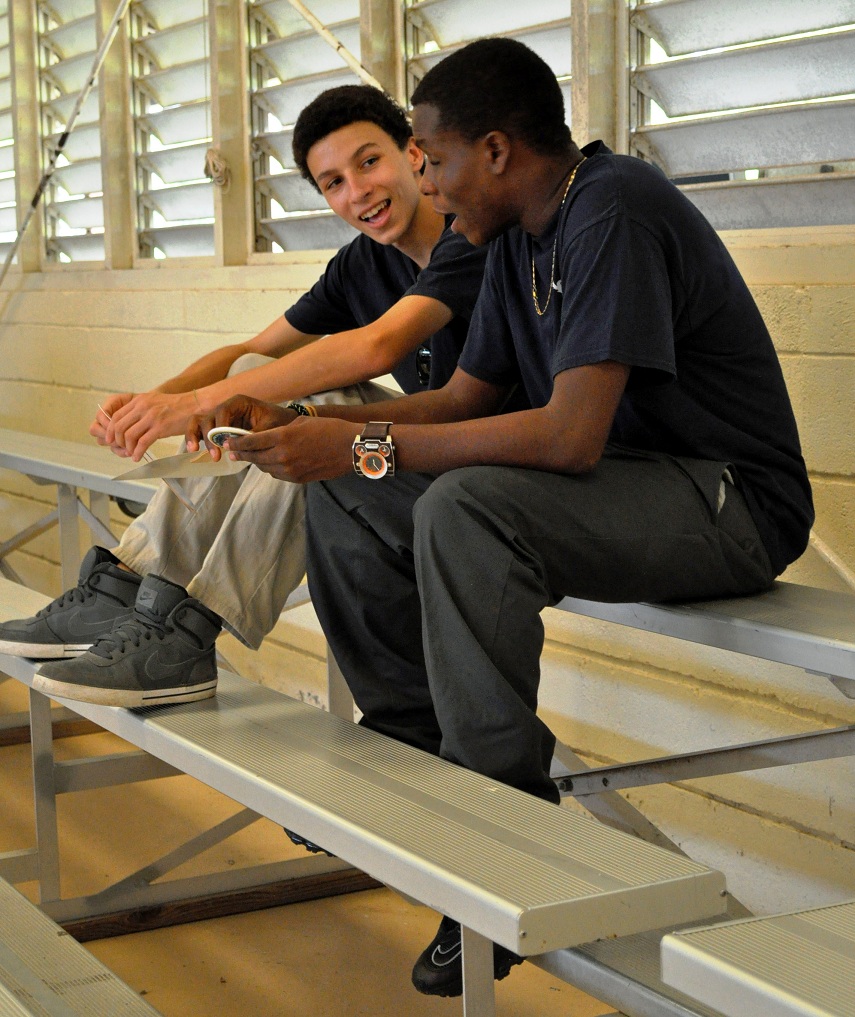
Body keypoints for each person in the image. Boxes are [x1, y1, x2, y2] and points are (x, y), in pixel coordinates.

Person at [42, 37, 816, 995]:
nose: (425, 181)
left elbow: (569, 437)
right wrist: (324, 435)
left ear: (494, 150)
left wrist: (355, 438)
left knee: (463, 505)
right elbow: (457, 406)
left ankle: (505, 832)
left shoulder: (611, 208)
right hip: (617, 487)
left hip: (727, 499)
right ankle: (409, 746)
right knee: (348, 483)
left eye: (431, 159)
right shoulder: (507, 239)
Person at [0, 84, 488, 706]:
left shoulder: (472, 235)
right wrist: (158, 397)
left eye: (369, 162)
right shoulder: (362, 263)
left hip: (487, 456)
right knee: (261, 382)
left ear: (414, 155)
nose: (357, 191)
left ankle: (197, 624)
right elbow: (251, 351)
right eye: (333, 182)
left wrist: (195, 405)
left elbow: (376, 349)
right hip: (417, 449)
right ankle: (132, 581)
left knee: (318, 412)